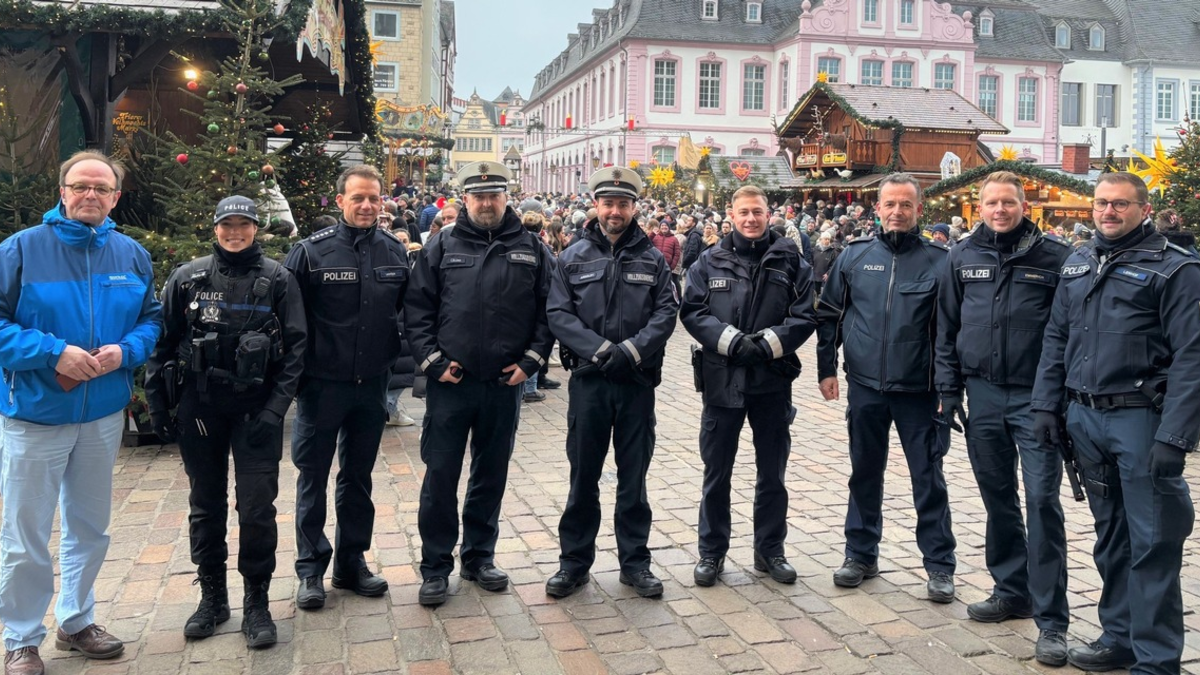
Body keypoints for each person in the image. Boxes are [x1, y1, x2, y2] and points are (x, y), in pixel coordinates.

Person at [0, 151, 162, 673]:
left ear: (116, 197)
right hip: (35, 415)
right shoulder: (21, 251)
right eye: (80, 186)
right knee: (26, 533)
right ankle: (21, 636)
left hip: (101, 416)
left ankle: (76, 620)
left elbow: (151, 320)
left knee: (90, 526)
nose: (89, 195)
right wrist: (53, 352)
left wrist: (126, 351)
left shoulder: (132, 254)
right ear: (63, 191)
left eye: (101, 188)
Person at [1032, 172, 1200, 673]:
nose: (1108, 212)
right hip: (1086, 419)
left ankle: (1155, 660)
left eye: (1120, 204)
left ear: (1143, 209)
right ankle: (1119, 637)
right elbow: (1057, 338)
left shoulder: (1176, 270)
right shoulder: (1079, 262)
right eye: (1102, 203)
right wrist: (1046, 404)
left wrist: (1175, 436)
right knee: (1112, 538)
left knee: (1153, 543)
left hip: (1141, 420)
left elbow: (1193, 357)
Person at [144, 196, 306, 648]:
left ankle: (257, 600)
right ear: (215, 228)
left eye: (244, 225)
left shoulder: (278, 279)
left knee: (257, 508)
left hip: (256, 409)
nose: (235, 232)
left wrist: (276, 410)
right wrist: (159, 404)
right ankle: (213, 595)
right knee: (206, 503)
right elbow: (163, 344)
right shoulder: (188, 278)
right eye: (227, 225)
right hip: (201, 409)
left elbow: (295, 352)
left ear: (256, 228)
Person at [934, 172, 1072, 667]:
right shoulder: (961, 256)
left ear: (1024, 202)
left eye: (1007, 202)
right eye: (991, 202)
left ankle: (1053, 621)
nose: (999, 210)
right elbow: (945, 328)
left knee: (1041, 501)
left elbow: (1067, 336)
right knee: (998, 498)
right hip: (982, 394)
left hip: (1036, 400)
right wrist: (948, 391)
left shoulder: (1056, 258)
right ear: (979, 204)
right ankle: (1012, 590)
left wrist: (1056, 399)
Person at [406, 161, 555, 606]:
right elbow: (417, 308)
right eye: (478, 196)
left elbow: (550, 310)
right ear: (464, 199)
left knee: (490, 476)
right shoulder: (442, 244)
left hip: (502, 385)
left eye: (494, 195)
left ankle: (479, 557)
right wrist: (433, 362)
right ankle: (435, 566)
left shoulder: (531, 247)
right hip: (451, 384)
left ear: (506, 197)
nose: (487, 203)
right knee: (440, 477)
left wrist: (531, 362)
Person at [815, 173, 957, 604]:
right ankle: (860, 554)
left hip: (920, 391)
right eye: (890, 204)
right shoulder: (854, 257)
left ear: (919, 209)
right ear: (877, 208)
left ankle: (939, 565)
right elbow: (830, 315)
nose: (897, 211)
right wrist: (827, 368)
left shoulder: (940, 261)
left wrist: (949, 390)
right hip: (865, 387)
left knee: (928, 478)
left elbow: (953, 330)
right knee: (864, 473)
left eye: (906, 205)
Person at [543, 167, 677, 599]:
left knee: (633, 478)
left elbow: (664, 313)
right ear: (596, 205)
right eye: (608, 203)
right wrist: (602, 351)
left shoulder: (652, 258)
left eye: (623, 203)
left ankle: (635, 563)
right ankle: (574, 564)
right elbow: (559, 314)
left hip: (636, 381)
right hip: (590, 381)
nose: (615, 210)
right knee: (583, 475)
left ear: (634, 207)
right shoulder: (573, 256)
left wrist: (632, 352)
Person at [283, 165, 409, 610]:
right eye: (358, 198)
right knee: (312, 478)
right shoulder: (309, 254)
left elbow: (405, 314)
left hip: (371, 384)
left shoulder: (395, 252)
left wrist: (401, 370)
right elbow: (287, 322)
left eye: (374, 198)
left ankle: (351, 562)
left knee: (358, 478)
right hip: (322, 386)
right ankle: (310, 569)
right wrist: (295, 382)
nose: (367, 206)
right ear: (339, 201)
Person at [681, 185, 817, 587]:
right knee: (716, 472)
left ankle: (769, 551)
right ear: (731, 214)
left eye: (757, 211)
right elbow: (693, 310)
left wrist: (767, 345)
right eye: (744, 212)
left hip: (771, 382)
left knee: (772, 473)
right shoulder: (709, 260)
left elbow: (804, 315)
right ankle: (711, 552)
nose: (751, 219)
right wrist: (733, 341)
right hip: (722, 381)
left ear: (768, 213)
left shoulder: (791, 262)